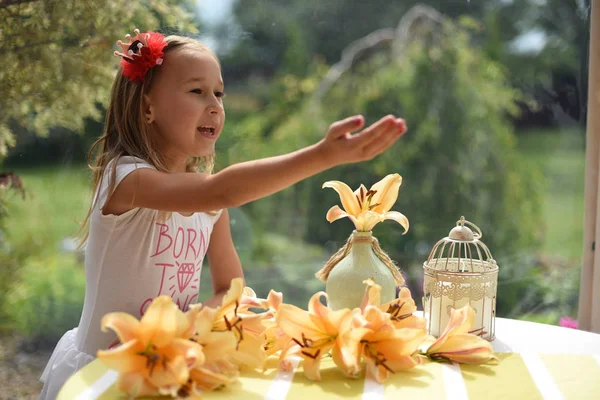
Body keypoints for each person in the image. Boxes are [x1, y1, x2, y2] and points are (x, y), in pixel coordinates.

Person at [39, 29, 408, 399]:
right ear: (147, 107)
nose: (214, 105)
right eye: (197, 91)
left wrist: (191, 326)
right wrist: (322, 156)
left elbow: (227, 289)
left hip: (168, 370)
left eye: (219, 93)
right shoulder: (127, 179)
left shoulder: (209, 206)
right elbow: (221, 188)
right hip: (106, 372)